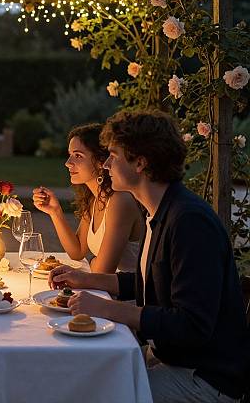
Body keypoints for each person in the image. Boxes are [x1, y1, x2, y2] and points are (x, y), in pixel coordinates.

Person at [49, 110, 248, 402]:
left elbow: (191, 325)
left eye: (114, 155)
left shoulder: (189, 222)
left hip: (204, 377)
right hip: (172, 359)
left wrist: (108, 309)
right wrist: (86, 279)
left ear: (140, 163)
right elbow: (148, 280)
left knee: (90, 392)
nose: (106, 164)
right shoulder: (161, 211)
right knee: (78, 373)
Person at [33, 123, 144, 272]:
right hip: (104, 290)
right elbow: (77, 252)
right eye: (70, 155)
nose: (68, 163)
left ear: (101, 162)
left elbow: (102, 272)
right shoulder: (95, 200)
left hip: (129, 292)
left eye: (78, 155)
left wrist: (92, 261)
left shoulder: (120, 200)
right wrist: (55, 211)